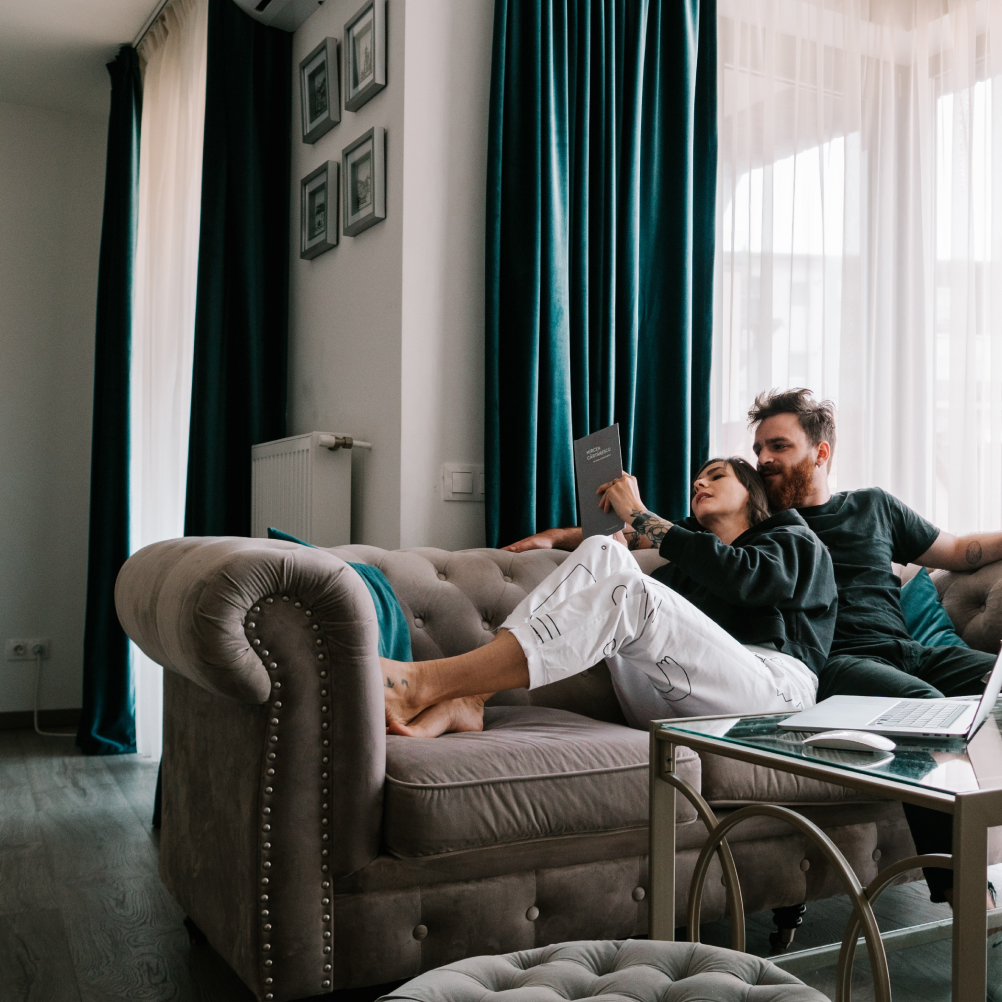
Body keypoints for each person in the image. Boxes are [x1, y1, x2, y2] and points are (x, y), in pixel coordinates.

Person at [507, 389, 1002, 913]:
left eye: (779, 446)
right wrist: (562, 537)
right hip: (838, 664)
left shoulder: (873, 507)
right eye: (759, 447)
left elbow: (961, 550)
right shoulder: (761, 527)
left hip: (911, 647)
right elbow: (641, 541)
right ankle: (958, 888)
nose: (764, 459)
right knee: (925, 711)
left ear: (821, 452)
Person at [383, 457, 837, 740]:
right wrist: (567, 538)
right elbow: (668, 619)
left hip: (774, 697)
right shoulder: (682, 572)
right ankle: (473, 697)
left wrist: (639, 514)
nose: (700, 483)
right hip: (670, 701)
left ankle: (429, 682)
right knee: (603, 550)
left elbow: (748, 579)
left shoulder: (792, 538)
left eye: (716, 476)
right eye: (697, 478)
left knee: (630, 590)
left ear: (752, 494)